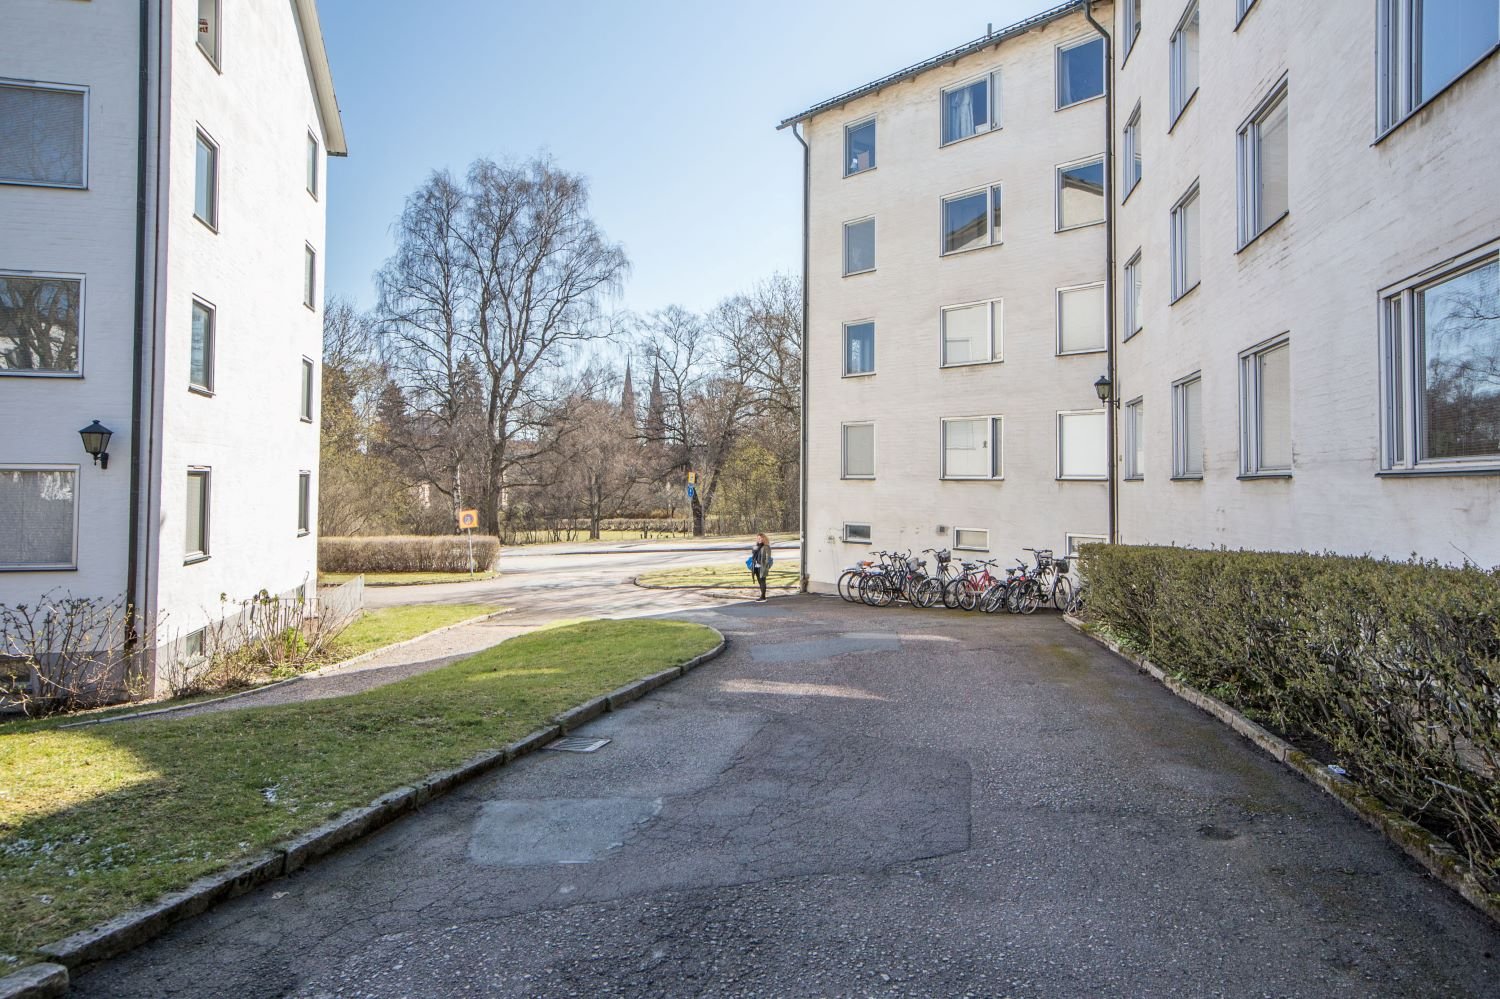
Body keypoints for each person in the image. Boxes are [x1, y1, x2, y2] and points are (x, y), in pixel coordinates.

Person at [748, 533, 774, 601]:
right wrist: (754, 549)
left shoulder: (766, 547)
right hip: (756, 566)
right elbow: (753, 555)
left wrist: (765, 565)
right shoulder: (756, 546)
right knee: (760, 581)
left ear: (763, 539)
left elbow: (768, 558)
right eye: (758, 538)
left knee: (762, 581)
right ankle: (762, 595)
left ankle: (763, 597)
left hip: (762, 566)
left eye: (760, 538)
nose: (759, 539)